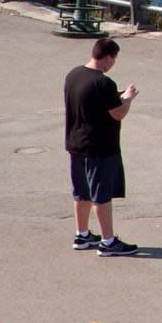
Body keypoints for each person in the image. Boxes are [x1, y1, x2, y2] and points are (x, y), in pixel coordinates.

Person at [63, 39, 137, 258]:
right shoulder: (104, 83)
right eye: (113, 59)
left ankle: (82, 234)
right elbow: (117, 113)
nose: (113, 64)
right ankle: (108, 242)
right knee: (101, 195)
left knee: (81, 192)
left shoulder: (74, 75)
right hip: (100, 147)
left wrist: (118, 95)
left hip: (75, 142)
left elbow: (92, 100)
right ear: (107, 57)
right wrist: (128, 99)